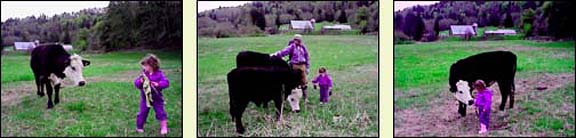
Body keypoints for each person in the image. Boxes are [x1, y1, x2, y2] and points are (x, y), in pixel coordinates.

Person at [134, 54, 170, 135]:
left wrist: (158, 84)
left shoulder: (159, 74)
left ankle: (164, 127)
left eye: (145, 66)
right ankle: (139, 126)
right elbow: (136, 83)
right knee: (142, 113)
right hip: (145, 98)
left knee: (160, 112)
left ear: (152, 65)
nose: (144, 68)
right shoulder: (143, 75)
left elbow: (166, 82)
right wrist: (140, 82)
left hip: (157, 98)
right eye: (143, 66)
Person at [271, 34, 310, 102]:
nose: (299, 41)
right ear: (294, 40)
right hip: (294, 65)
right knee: (293, 81)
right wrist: (275, 55)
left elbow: (306, 57)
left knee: (304, 81)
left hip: (302, 65)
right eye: (297, 40)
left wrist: (307, 67)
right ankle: (289, 96)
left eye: (300, 40)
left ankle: (305, 97)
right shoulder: (291, 47)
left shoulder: (303, 47)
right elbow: (283, 52)